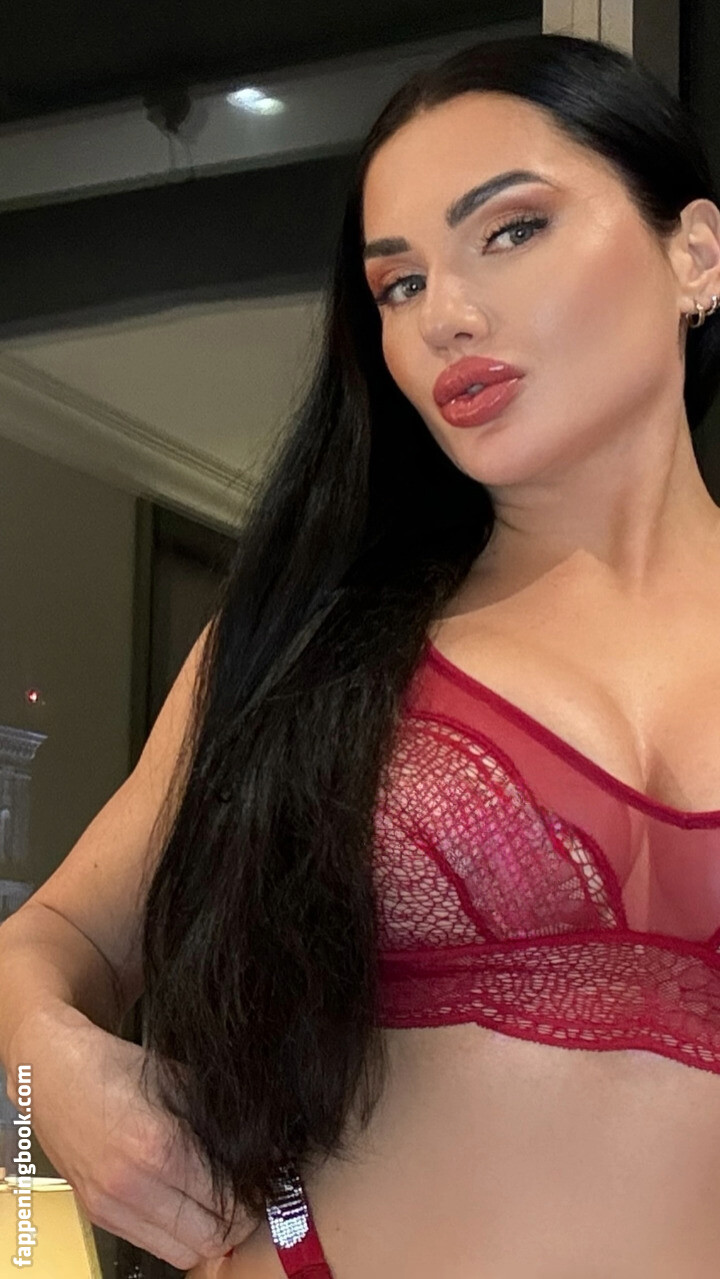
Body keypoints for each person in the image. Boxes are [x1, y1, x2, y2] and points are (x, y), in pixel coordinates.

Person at [3, 30, 720, 1279]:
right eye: (398, 284)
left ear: (694, 252)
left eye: (512, 230)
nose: (448, 314)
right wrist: (46, 1074)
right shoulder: (308, 648)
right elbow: (55, 938)